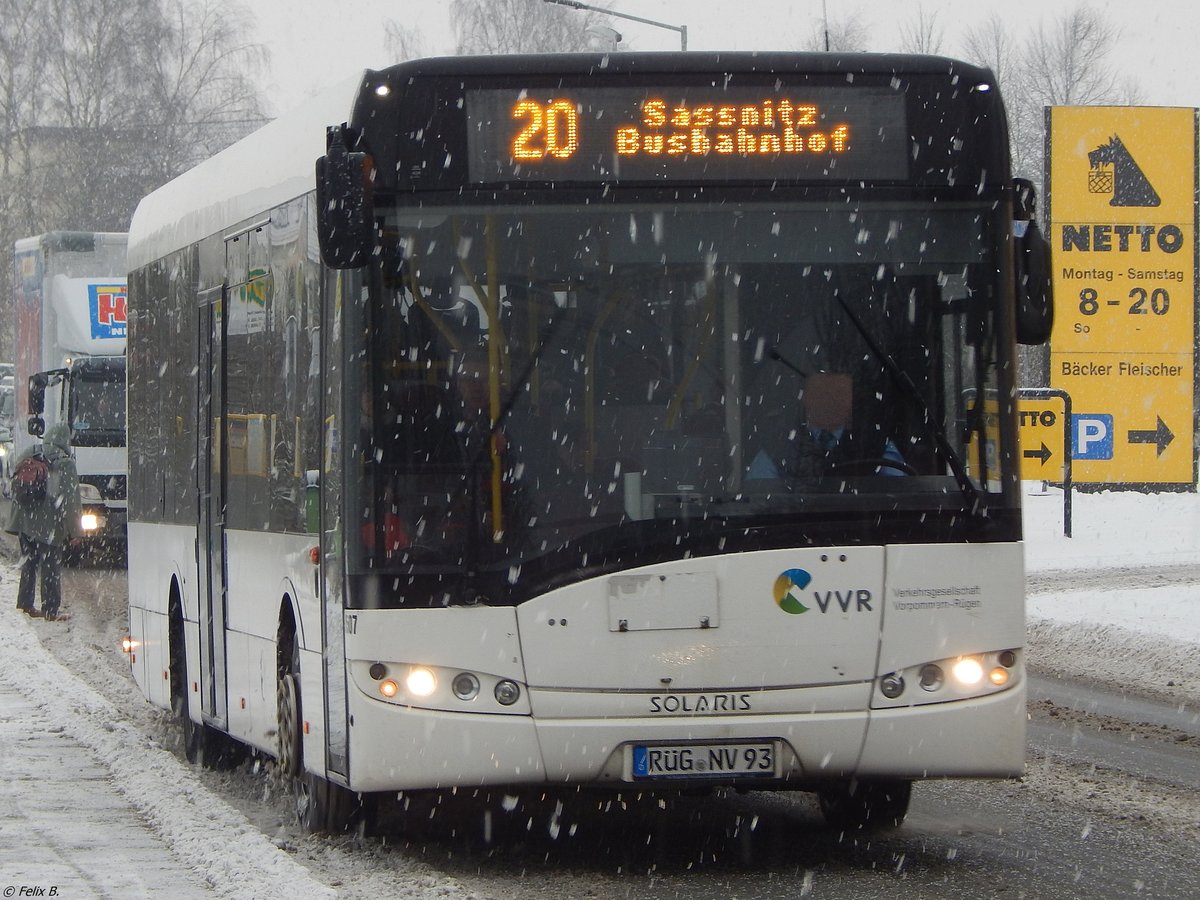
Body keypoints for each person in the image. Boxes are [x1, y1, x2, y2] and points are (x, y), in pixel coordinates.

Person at [7, 423, 82, 621]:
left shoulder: (28, 453)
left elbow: (15, 485)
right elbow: (71, 500)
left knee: (29, 563)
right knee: (50, 566)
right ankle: (50, 609)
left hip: (24, 521)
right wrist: (75, 532)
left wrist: (18, 519)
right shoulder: (64, 463)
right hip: (48, 524)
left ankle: (25, 604)